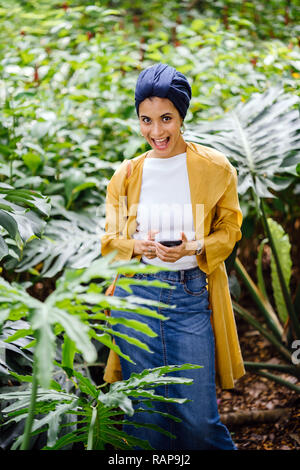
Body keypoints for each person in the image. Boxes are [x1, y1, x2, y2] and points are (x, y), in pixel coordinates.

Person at [101, 63, 245, 450]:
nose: (156, 131)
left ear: (181, 115)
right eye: (145, 120)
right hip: (137, 299)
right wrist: (136, 247)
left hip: (191, 296)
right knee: (144, 421)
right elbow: (110, 237)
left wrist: (195, 246)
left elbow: (231, 230)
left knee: (199, 422)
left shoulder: (214, 168)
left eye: (166, 118)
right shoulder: (127, 174)